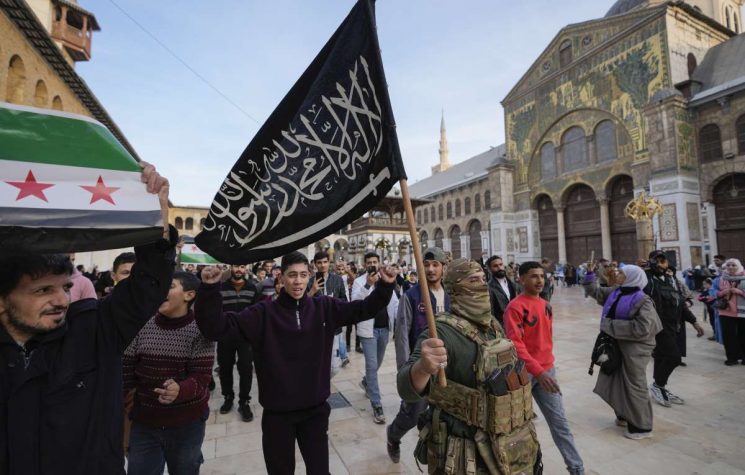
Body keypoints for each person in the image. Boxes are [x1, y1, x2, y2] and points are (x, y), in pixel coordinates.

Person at [0, 162, 173, 474]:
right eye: (43, 290)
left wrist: (152, 213)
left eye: (65, 287)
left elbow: (147, 284)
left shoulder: (93, 330)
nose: (61, 300)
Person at [195, 252, 396, 475]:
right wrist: (209, 289)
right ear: (281, 278)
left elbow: (364, 308)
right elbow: (216, 328)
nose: (298, 281)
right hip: (278, 415)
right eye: (292, 275)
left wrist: (385, 286)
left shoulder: (324, 308)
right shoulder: (263, 314)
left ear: (309, 276)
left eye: (302, 275)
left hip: (315, 412)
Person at [396, 259, 540, 474]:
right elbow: (405, 387)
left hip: (506, 446)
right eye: (473, 280)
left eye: (483, 279)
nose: (482, 285)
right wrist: (424, 367)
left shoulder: (492, 325)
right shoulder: (440, 332)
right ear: (455, 289)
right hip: (465, 452)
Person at [124, 271, 214, 474]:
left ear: (189, 295)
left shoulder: (201, 329)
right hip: (145, 422)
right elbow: (126, 371)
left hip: (187, 424)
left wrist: (179, 390)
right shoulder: (142, 324)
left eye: (170, 286)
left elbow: (202, 377)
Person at [504, 261, 584, 475]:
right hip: (523, 373)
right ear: (521, 279)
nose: (539, 280)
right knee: (516, 427)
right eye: (533, 276)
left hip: (547, 371)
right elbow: (516, 344)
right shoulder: (515, 307)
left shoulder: (546, 305)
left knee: (560, 422)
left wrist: (546, 369)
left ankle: (576, 468)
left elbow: (545, 339)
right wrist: (538, 371)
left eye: (542, 276)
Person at [583, 264, 662, 440]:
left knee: (634, 384)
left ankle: (641, 426)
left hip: (635, 349)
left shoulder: (643, 300)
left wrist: (609, 325)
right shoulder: (616, 292)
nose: (617, 275)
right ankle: (624, 414)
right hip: (617, 345)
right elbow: (594, 291)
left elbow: (643, 328)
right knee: (616, 380)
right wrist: (589, 274)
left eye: (621, 274)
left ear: (632, 278)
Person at [387, 247, 449, 463]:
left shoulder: (451, 295)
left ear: (443, 267)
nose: (430, 269)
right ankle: (393, 435)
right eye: (426, 265)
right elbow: (402, 334)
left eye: (435, 265)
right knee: (412, 414)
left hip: (446, 366)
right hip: (420, 367)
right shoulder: (412, 296)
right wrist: (406, 370)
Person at [643, 251, 702, 407]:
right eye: (656, 261)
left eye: (663, 261)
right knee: (674, 357)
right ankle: (657, 386)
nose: (660, 264)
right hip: (657, 327)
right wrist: (644, 271)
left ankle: (659, 386)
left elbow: (680, 303)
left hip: (673, 326)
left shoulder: (670, 280)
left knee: (661, 356)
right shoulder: (647, 280)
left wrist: (694, 321)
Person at [352, 252, 399, 424]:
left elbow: (395, 303)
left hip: (384, 329)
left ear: (379, 263)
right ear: (365, 265)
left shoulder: (385, 279)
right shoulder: (359, 281)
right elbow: (355, 302)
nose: (372, 264)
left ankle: (366, 382)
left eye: (374, 261)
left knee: (377, 363)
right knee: (371, 366)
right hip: (368, 330)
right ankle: (376, 404)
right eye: (369, 262)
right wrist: (367, 285)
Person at [217, 264, 260, 422]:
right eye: (236, 266)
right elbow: (216, 311)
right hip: (225, 336)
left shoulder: (252, 288)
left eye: (242, 267)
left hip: (245, 337)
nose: (239, 270)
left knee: (246, 369)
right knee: (225, 368)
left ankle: (244, 401)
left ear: (246, 269)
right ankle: (228, 397)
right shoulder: (221, 288)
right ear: (231, 268)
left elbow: (256, 313)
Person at [308, 251, 349, 368]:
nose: (322, 265)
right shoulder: (309, 281)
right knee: (319, 362)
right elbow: (303, 304)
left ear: (329, 262)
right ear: (315, 264)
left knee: (335, 367)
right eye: (319, 262)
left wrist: (333, 301)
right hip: (316, 326)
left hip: (334, 325)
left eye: (325, 262)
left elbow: (344, 300)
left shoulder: (337, 279)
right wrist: (312, 291)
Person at [716, 258, 745, 365]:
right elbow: (714, 292)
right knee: (728, 336)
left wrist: (740, 292)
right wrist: (724, 292)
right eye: (728, 265)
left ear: (739, 266)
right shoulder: (721, 278)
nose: (730, 267)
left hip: (742, 311)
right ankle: (732, 358)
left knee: (743, 335)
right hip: (726, 311)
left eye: (733, 265)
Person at [486, 254, 516, 326]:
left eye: (501, 264)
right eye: (495, 266)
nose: (499, 268)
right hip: (502, 325)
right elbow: (491, 311)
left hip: (516, 322)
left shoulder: (512, 284)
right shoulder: (489, 287)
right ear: (490, 269)